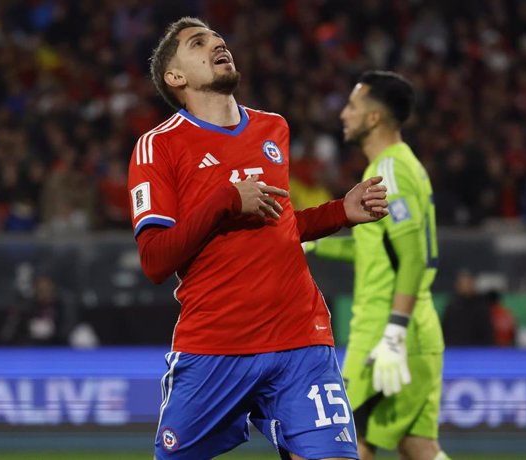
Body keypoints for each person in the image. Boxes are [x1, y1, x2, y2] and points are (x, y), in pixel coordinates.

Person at [128, 18, 389, 460]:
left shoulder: (273, 129)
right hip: (216, 347)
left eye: (218, 39)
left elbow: (277, 224)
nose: (217, 45)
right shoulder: (159, 147)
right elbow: (155, 260)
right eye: (198, 44)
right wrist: (226, 200)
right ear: (175, 77)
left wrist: (337, 212)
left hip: (301, 340)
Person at [305, 71, 449, 460]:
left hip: (386, 331)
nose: (343, 115)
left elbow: (414, 256)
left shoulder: (388, 172)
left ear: (373, 119)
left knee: (338, 442)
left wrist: (394, 335)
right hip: (418, 329)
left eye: (352, 106)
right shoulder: (405, 164)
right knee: (419, 447)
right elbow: (378, 250)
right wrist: (316, 244)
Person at [442, 270, 494, 346]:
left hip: (477, 351)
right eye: (462, 283)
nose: (465, 286)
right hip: (454, 351)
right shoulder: (452, 306)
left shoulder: (481, 306)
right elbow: (445, 330)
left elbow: (487, 332)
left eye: (468, 283)